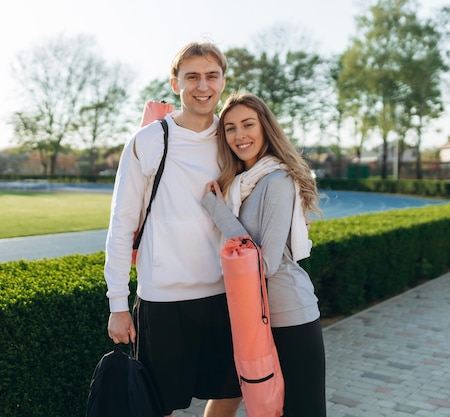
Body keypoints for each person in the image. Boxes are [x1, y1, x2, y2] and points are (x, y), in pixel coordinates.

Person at [104, 41, 243, 417]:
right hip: (162, 298)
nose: (202, 86)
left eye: (212, 76)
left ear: (223, 81)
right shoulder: (148, 141)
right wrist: (118, 304)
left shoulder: (233, 139)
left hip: (224, 293)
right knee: (158, 404)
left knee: (233, 389)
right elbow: (121, 226)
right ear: (174, 82)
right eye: (192, 76)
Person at [201, 92, 327, 417]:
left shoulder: (278, 179)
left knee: (302, 411)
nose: (240, 135)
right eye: (230, 128)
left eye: (247, 124)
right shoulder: (240, 184)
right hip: (251, 316)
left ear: (264, 127)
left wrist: (216, 210)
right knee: (261, 407)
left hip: (289, 315)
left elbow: (265, 264)